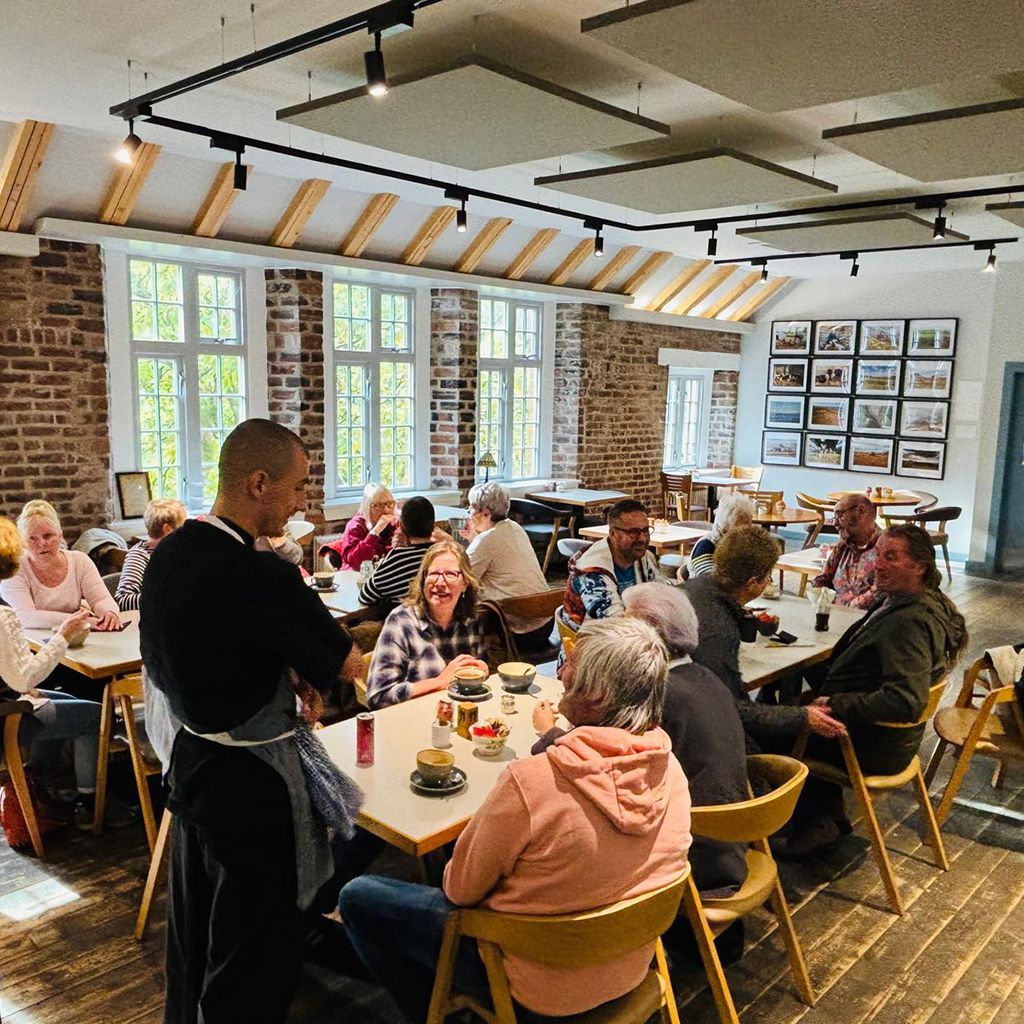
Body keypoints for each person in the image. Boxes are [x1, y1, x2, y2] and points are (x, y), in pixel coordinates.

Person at [339, 617, 691, 1023]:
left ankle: (439, 1014)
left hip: (531, 985)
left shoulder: (534, 782)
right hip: (628, 967)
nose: (561, 670)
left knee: (359, 896)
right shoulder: (671, 772)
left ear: (597, 694)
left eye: (573, 664)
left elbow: (459, 890)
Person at [141, 418, 363, 1024]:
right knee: (254, 949)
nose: (300, 504)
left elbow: (178, 657)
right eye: (296, 488)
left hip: (191, 761)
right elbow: (344, 662)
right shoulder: (258, 571)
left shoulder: (169, 554)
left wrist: (275, 666)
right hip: (251, 784)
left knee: (195, 929)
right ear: (259, 483)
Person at [787, 525, 968, 856]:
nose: (878, 565)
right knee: (792, 700)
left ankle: (798, 823)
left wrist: (838, 703)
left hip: (871, 745)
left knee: (769, 727)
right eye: (878, 555)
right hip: (889, 740)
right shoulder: (914, 602)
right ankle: (821, 816)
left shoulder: (910, 622)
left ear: (920, 566)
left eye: (891, 557)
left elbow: (907, 700)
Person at [621, 583, 748, 897]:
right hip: (734, 844)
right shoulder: (706, 677)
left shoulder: (659, 695)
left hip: (693, 862)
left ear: (651, 635)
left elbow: (618, 772)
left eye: (627, 625)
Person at [683, 525, 845, 749]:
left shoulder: (694, 587)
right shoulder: (718, 626)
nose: (769, 581)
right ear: (753, 582)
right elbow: (731, 709)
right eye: (768, 576)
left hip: (680, 706)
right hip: (693, 731)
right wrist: (803, 716)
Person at [0, 516, 116, 829]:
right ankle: (89, 804)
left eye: (48, 536)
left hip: (9, 698)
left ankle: (46, 786)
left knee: (60, 697)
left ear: (60, 536)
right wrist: (63, 635)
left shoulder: (76, 563)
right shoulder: (3, 615)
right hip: (8, 714)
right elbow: (25, 678)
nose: (39, 546)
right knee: (95, 715)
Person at [365, 540, 488, 709]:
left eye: (450, 574)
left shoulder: (471, 620)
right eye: (433, 574)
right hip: (412, 721)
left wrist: (481, 673)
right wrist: (440, 681)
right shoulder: (401, 622)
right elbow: (378, 696)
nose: (439, 583)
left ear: (465, 583)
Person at [461, 482, 553, 654]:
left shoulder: (486, 540)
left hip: (519, 632)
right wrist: (475, 539)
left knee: (466, 604)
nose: (469, 512)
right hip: (545, 624)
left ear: (485, 513)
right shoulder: (515, 528)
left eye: (472, 508)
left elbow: (463, 580)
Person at [1, 500, 121, 632]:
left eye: (48, 536)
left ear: (60, 535)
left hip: (75, 637)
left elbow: (101, 599)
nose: (42, 543)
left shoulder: (79, 561)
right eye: (32, 538)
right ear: (22, 541)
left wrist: (109, 613)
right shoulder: (15, 567)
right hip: (29, 640)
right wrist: (80, 620)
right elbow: (25, 616)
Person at [560, 498, 665, 634]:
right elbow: (615, 622)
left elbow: (663, 596)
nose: (643, 539)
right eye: (633, 532)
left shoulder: (645, 558)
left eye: (645, 531)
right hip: (590, 645)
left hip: (632, 636)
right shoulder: (591, 571)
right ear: (613, 533)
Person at [358, 496, 436, 611]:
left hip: (404, 624)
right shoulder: (444, 554)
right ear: (433, 525)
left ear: (402, 526)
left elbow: (365, 597)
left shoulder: (398, 558)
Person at [115, 498, 187, 611]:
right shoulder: (141, 555)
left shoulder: (178, 553)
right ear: (167, 529)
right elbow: (123, 600)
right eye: (181, 528)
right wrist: (170, 599)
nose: (185, 533)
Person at [811, 493, 880, 608]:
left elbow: (880, 592)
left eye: (840, 515)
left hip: (866, 620)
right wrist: (819, 596)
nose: (835, 523)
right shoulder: (842, 546)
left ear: (861, 511)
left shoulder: (886, 549)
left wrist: (843, 608)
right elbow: (823, 578)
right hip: (833, 614)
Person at [320, 482, 398, 570]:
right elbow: (356, 563)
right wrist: (375, 532)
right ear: (367, 507)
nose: (386, 510)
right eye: (378, 505)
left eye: (389, 504)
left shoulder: (395, 524)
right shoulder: (355, 526)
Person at [687, 491, 755, 578]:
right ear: (724, 522)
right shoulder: (706, 546)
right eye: (742, 522)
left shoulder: (740, 544)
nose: (749, 527)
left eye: (750, 521)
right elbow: (710, 582)